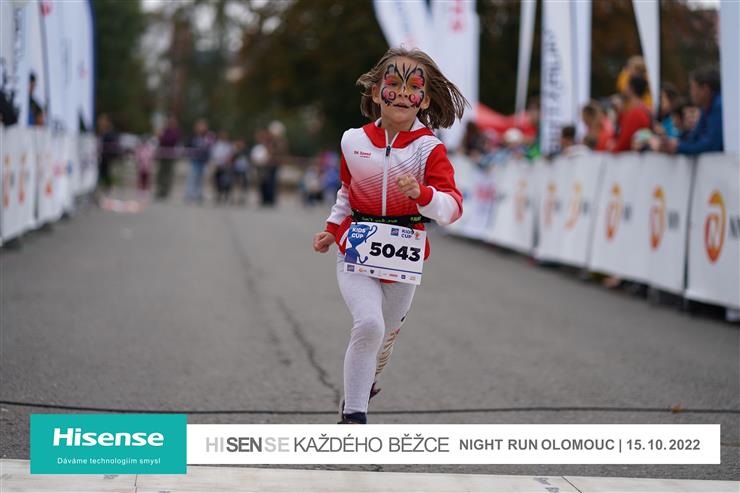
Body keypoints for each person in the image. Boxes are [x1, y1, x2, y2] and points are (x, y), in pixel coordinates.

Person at [312, 47, 466, 424]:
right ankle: (354, 418)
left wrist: (422, 195)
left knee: (383, 338)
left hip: (405, 255)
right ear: (376, 92)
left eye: (413, 87)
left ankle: (362, 385)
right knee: (369, 324)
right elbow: (347, 191)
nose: (401, 93)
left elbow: (452, 208)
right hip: (356, 246)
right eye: (393, 83)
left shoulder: (429, 149)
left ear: (424, 100)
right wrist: (332, 229)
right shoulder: (353, 141)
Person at [660, 65, 723, 155]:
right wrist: (674, 144)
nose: (690, 92)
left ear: (705, 89)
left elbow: (711, 144)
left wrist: (678, 147)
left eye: (692, 88)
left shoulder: (718, 106)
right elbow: (694, 137)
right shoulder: (707, 107)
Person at [610, 76, 652, 153]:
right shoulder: (641, 110)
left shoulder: (636, 113)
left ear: (631, 89)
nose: (624, 89)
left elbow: (625, 142)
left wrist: (613, 149)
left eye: (626, 86)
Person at [186, 119, 211, 203]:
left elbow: (208, 148)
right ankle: (190, 194)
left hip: (203, 160)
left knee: (201, 178)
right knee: (192, 177)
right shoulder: (193, 136)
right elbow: (188, 146)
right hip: (194, 160)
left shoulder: (207, 137)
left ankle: (198, 194)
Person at [156, 116, 181, 199]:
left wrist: (162, 136)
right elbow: (161, 141)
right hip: (163, 154)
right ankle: (160, 190)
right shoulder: (165, 130)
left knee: (168, 174)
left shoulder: (175, 131)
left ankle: (165, 191)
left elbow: (170, 140)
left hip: (170, 155)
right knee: (161, 173)